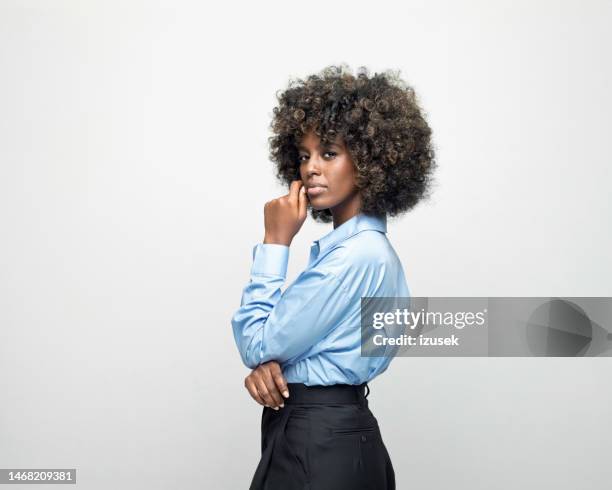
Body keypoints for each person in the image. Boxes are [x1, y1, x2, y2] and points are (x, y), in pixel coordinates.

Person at [230, 64, 436, 490]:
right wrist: (273, 366)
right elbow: (296, 349)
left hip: (316, 440)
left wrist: (274, 242)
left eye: (328, 153)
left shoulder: (355, 258)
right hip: (334, 434)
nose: (310, 169)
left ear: (370, 159)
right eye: (304, 156)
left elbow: (256, 341)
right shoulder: (368, 253)